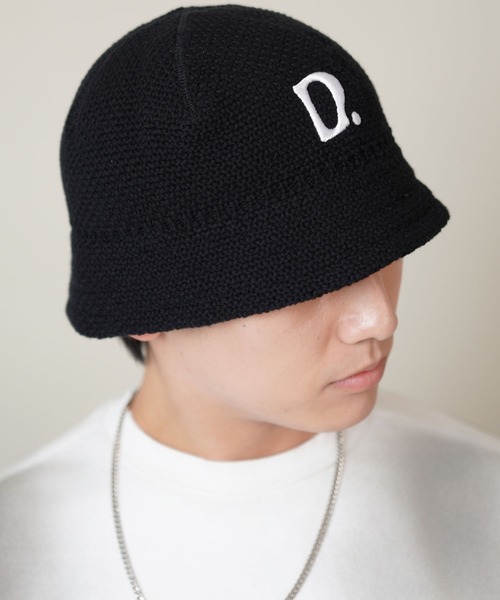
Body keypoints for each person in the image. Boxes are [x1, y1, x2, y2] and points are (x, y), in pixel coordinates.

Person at [1, 5, 499, 599]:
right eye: (310, 280)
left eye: (385, 248)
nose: (380, 317)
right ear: (145, 311)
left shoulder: (481, 495)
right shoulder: (19, 544)